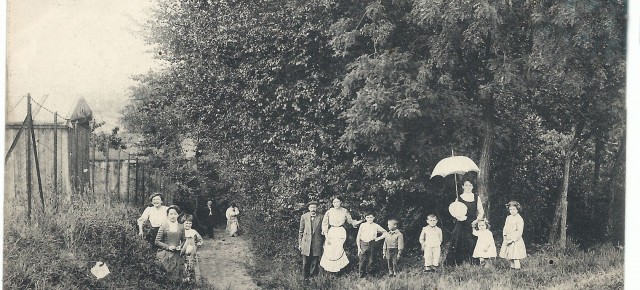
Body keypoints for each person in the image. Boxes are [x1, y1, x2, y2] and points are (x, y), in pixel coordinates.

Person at [445, 181, 485, 266]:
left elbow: (481, 211)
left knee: (472, 241)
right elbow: (454, 212)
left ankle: (473, 262)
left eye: (470, 185)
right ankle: (458, 262)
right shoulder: (458, 198)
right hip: (462, 223)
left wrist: (477, 221)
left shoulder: (476, 197)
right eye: (466, 185)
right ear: (463, 186)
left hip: (473, 223)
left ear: (472, 187)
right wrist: (458, 216)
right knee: (459, 242)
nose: (468, 187)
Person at [320, 197, 363, 273]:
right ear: (332, 203)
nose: (336, 204)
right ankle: (329, 270)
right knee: (330, 249)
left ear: (341, 202)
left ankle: (338, 270)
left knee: (338, 249)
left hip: (340, 232)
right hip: (332, 231)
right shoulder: (329, 211)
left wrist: (360, 221)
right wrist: (326, 236)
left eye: (337, 202)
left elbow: (350, 221)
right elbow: (324, 224)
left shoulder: (344, 211)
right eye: (334, 202)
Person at [155, 205, 186, 281]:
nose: (173, 216)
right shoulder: (163, 226)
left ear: (178, 215)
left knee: (177, 274)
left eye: (175, 214)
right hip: (165, 253)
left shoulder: (181, 227)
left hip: (177, 253)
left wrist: (180, 246)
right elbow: (157, 242)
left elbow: (184, 240)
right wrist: (168, 247)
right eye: (171, 214)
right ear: (167, 215)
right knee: (164, 275)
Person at [298, 201, 324, 280]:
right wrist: (300, 244)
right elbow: (301, 231)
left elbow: (324, 231)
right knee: (305, 262)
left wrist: (324, 243)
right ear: (308, 208)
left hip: (317, 243)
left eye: (314, 207)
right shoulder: (304, 217)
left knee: (316, 262)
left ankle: (313, 278)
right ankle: (305, 278)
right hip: (306, 243)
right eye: (311, 207)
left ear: (317, 208)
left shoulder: (321, 217)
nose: (313, 209)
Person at [356, 212, 387, 278]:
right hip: (363, 243)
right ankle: (361, 276)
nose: (369, 219)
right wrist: (359, 247)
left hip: (372, 244)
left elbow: (385, 233)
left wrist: (378, 238)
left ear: (374, 218)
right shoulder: (362, 225)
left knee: (371, 260)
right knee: (362, 260)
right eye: (367, 217)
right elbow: (358, 236)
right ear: (365, 218)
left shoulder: (376, 225)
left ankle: (370, 275)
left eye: (371, 217)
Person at [499, 201, 527, 269]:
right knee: (510, 256)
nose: (512, 211)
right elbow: (505, 228)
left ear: (517, 209)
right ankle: (512, 268)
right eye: (510, 209)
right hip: (508, 238)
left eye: (514, 209)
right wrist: (505, 237)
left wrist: (512, 240)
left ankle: (517, 268)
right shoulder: (508, 218)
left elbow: (519, 231)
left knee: (515, 256)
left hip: (515, 240)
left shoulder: (519, 219)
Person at [181, 214, 204, 283]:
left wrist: (196, 245)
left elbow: (200, 240)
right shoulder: (181, 231)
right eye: (186, 223)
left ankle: (195, 281)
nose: (188, 225)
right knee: (184, 267)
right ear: (183, 223)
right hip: (183, 253)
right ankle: (185, 281)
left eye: (190, 223)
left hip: (192, 253)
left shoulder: (193, 231)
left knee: (193, 266)